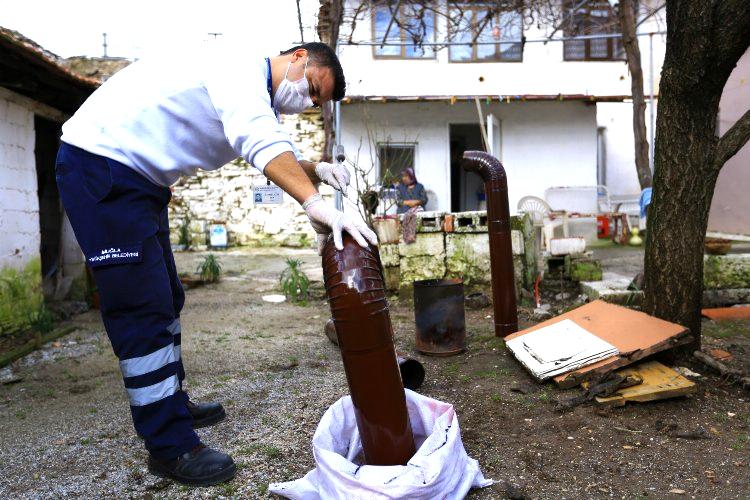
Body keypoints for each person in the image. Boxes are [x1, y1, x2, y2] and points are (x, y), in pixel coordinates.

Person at [55, 41, 376, 487]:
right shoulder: (238, 69)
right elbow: (259, 141)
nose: (307, 103)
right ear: (299, 57)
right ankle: (169, 446)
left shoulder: (247, 92)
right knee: (140, 310)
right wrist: (316, 203)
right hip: (102, 169)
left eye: (316, 102)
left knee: (167, 295)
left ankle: (170, 401)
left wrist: (313, 167)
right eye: (314, 90)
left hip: (138, 180)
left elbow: (253, 142)